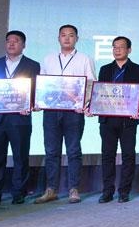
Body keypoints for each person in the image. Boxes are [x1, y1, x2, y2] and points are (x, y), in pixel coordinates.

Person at [35, 24, 96, 204]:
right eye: (63, 35)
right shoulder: (48, 59)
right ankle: (51, 189)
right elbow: (42, 84)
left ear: (77, 38)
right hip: (51, 112)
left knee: (73, 150)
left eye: (71, 35)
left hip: (73, 112)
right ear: (58, 38)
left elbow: (91, 83)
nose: (67, 38)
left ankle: (74, 189)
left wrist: (83, 103)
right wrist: (40, 102)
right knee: (51, 151)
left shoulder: (85, 59)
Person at [0, 30, 40, 206]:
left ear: (23, 45)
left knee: (20, 157)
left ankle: (19, 192)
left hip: (20, 119)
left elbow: (36, 90)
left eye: (16, 41)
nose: (11, 44)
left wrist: (31, 104)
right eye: (8, 41)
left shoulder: (32, 65)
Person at [95, 36, 139, 203]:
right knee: (107, 156)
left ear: (129, 50)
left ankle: (124, 191)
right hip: (107, 120)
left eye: (121, 47)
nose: (117, 50)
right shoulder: (104, 69)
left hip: (128, 120)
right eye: (114, 47)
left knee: (128, 156)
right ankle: (107, 191)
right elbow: (100, 93)